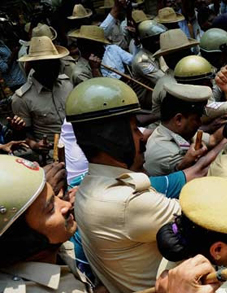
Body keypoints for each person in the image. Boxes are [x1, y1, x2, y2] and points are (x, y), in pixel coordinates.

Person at [66, 77, 181, 292]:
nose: (142, 137)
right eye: (135, 130)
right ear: (115, 139)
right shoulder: (125, 201)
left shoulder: (89, 187)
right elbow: (204, 218)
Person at [0, 155, 91, 291]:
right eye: (50, 209)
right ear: (22, 238)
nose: (66, 204)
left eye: (56, 197)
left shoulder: (45, 250)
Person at [12, 36, 72, 154]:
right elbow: (24, 135)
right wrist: (34, 145)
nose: (53, 67)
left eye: (55, 62)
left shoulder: (67, 84)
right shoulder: (22, 98)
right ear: (35, 66)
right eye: (47, 64)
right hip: (52, 154)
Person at [144, 82, 211, 176]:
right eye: (197, 118)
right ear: (178, 119)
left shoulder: (178, 133)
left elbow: (213, 140)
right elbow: (200, 171)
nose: (200, 123)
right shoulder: (167, 153)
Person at [131, 20, 167, 110]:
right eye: (157, 39)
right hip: (147, 104)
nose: (160, 41)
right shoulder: (141, 60)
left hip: (159, 96)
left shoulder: (158, 52)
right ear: (148, 41)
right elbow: (162, 80)